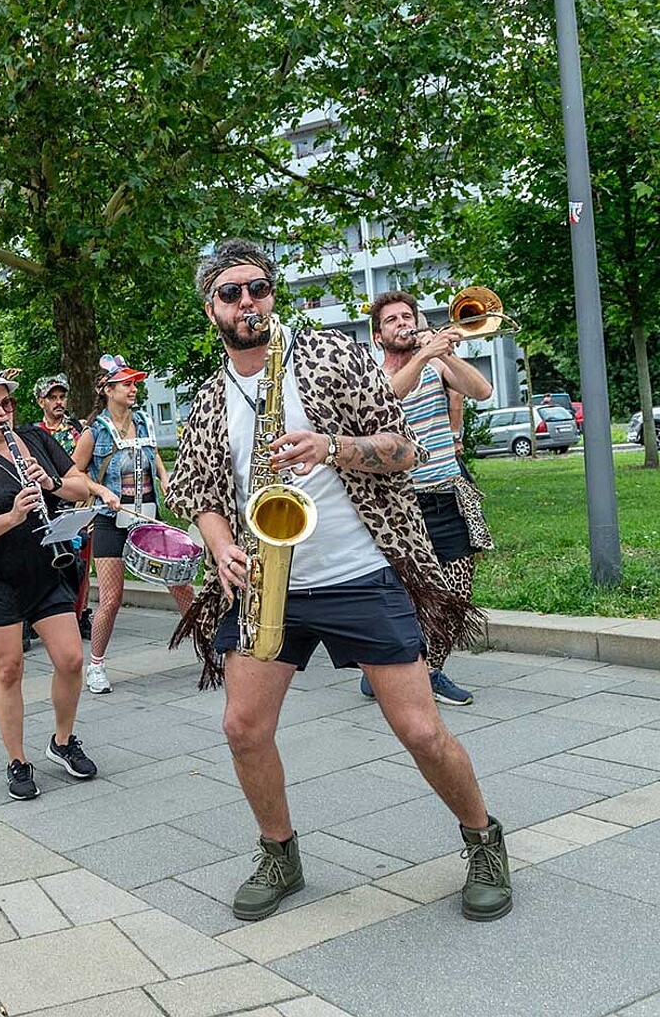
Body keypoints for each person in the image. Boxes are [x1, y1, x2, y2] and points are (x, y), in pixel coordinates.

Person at [168, 238, 510, 924]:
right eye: (231, 293)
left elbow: (400, 449)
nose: (247, 303)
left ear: (272, 295)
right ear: (211, 309)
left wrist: (331, 447)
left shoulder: (327, 355)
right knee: (242, 727)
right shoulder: (212, 396)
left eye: (257, 289)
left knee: (418, 728)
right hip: (268, 580)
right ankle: (279, 852)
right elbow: (199, 490)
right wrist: (222, 544)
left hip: (357, 570)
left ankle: (484, 840)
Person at [0, 370, 99, 801]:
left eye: (7, 404)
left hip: (45, 564)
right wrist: (11, 516)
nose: (2, 414)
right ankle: (17, 760)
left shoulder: (36, 440)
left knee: (70, 658)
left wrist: (50, 483)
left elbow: (80, 485)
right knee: (9, 669)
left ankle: (62, 742)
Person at [369, 290, 496, 706]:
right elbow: (385, 402)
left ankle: (432, 671)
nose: (403, 324)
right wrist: (423, 358)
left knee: (456, 593)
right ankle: (392, 668)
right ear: (377, 336)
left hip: (445, 495)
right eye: (392, 320)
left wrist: (444, 355)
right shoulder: (372, 374)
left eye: (408, 316)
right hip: (399, 505)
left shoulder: (436, 364)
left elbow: (482, 391)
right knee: (403, 597)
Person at [71, 356, 193, 695]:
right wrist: (101, 490)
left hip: (148, 517)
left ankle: (209, 646)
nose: (134, 388)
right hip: (111, 522)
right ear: (108, 390)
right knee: (111, 598)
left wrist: (168, 483)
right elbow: (74, 474)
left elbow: (154, 459)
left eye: (135, 383)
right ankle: (96, 666)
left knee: (181, 585)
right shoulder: (94, 432)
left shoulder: (144, 421)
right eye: (127, 384)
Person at [30, 373, 98, 640]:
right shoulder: (34, 434)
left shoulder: (78, 432)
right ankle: (35, 618)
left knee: (81, 563)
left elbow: (85, 468)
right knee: (42, 563)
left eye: (62, 397)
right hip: (45, 507)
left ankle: (80, 613)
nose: (58, 402)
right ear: (40, 401)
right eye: (52, 397)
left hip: (76, 505)